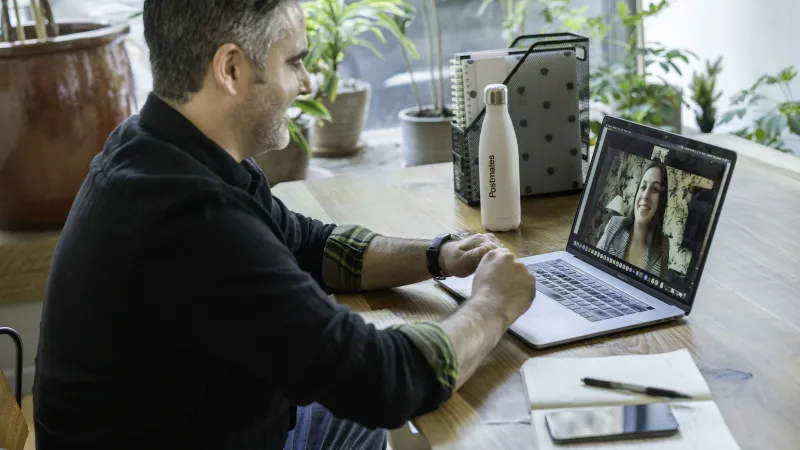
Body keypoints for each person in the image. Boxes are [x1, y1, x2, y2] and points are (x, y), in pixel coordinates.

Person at [31, 1, 537, 449]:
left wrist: (438, 255)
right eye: (294, 60)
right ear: (230, 67)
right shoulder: (189, 220)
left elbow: (309, 245)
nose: (309, 82)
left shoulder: (163, 146)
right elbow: (384, 382)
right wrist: (494, 303)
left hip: (211, 424)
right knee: (446, 420)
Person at [596, 162, 670, 278]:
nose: (645, 195)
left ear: (661, 201)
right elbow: (592, 266)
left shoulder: (663, 245)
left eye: (655, 189)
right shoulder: (614, 224)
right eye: (643, 187)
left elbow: (659, 290)